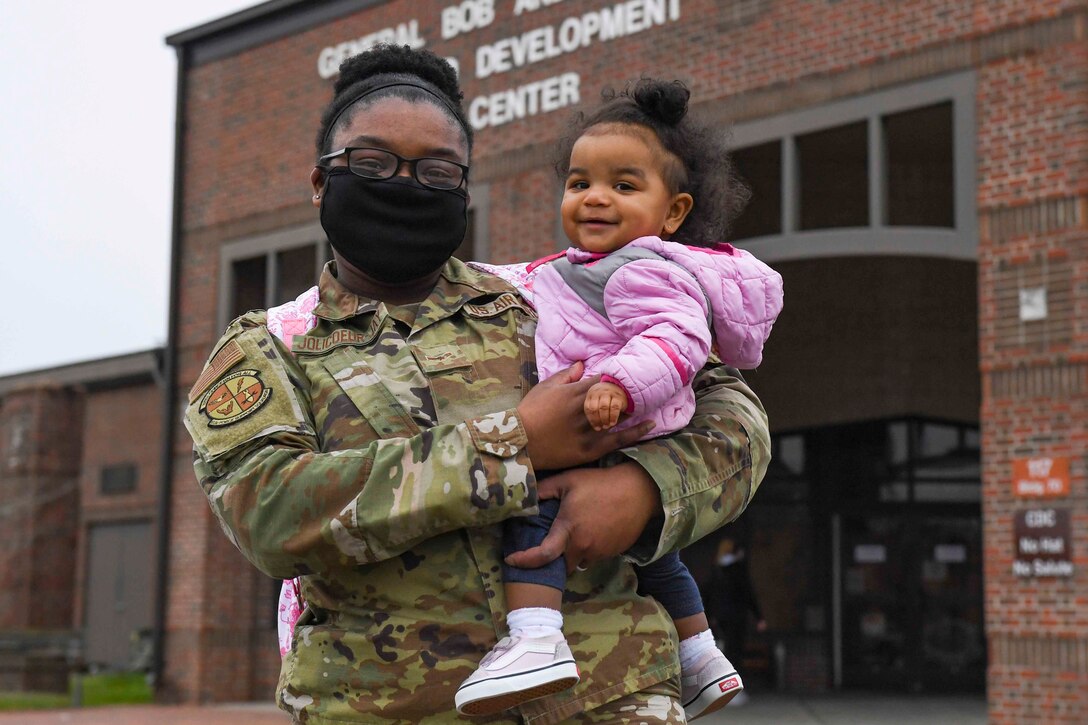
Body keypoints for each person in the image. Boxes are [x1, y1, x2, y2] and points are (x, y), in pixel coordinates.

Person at [184, 44, 771, 725]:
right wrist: (512, 447)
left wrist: (642, 491)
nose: (404, 185)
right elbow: (270, 513)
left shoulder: (550, 296)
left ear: (464, 188)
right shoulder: (272, 345)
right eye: (371, 164)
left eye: (436, 171)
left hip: (611, 698)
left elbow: (736, 417)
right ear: (321, 181)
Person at [456, 80, 782, 721]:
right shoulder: (597, 265)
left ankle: (534, 638)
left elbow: (676, 340)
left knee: (534, 520)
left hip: (611, 419)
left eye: (624, 186)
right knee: (656, 554)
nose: (595, 197)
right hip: (630, 428)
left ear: (673, 211)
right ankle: (702, 656)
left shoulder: (640, 269)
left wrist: (619, 386)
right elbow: (529, 279)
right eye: (579, 184)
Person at [705, 538, 767, 706]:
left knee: (723, 653)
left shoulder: (717, 570)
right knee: (735, 653)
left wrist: (711, 616)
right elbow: (748, 594)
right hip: (737, 618)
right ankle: (733, 689)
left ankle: (722, 689)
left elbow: (710, 595)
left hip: (721, 619)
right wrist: (759, 617)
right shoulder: (738, 570)